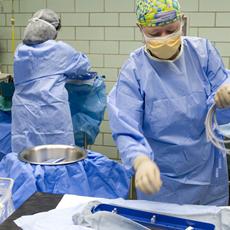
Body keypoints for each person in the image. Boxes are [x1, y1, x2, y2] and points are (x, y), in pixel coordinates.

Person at [107, 0, 230, 206]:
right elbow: (125, 126)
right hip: (161, 180)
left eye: (170, 30)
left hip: (207, 174)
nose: (164, 39)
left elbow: (220, 110)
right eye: (155, 34)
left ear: (182, 22)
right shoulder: (134, 71)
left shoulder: (203, 54)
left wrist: (225, 99)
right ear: (140, 29)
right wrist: (141, 160)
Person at [12, 9, 91, 153]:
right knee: (58, 158)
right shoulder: (60, 49)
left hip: (24, 114)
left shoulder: (20, 50)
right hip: (51, 112)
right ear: (53, 31)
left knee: (25, 158)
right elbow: (83, 66)